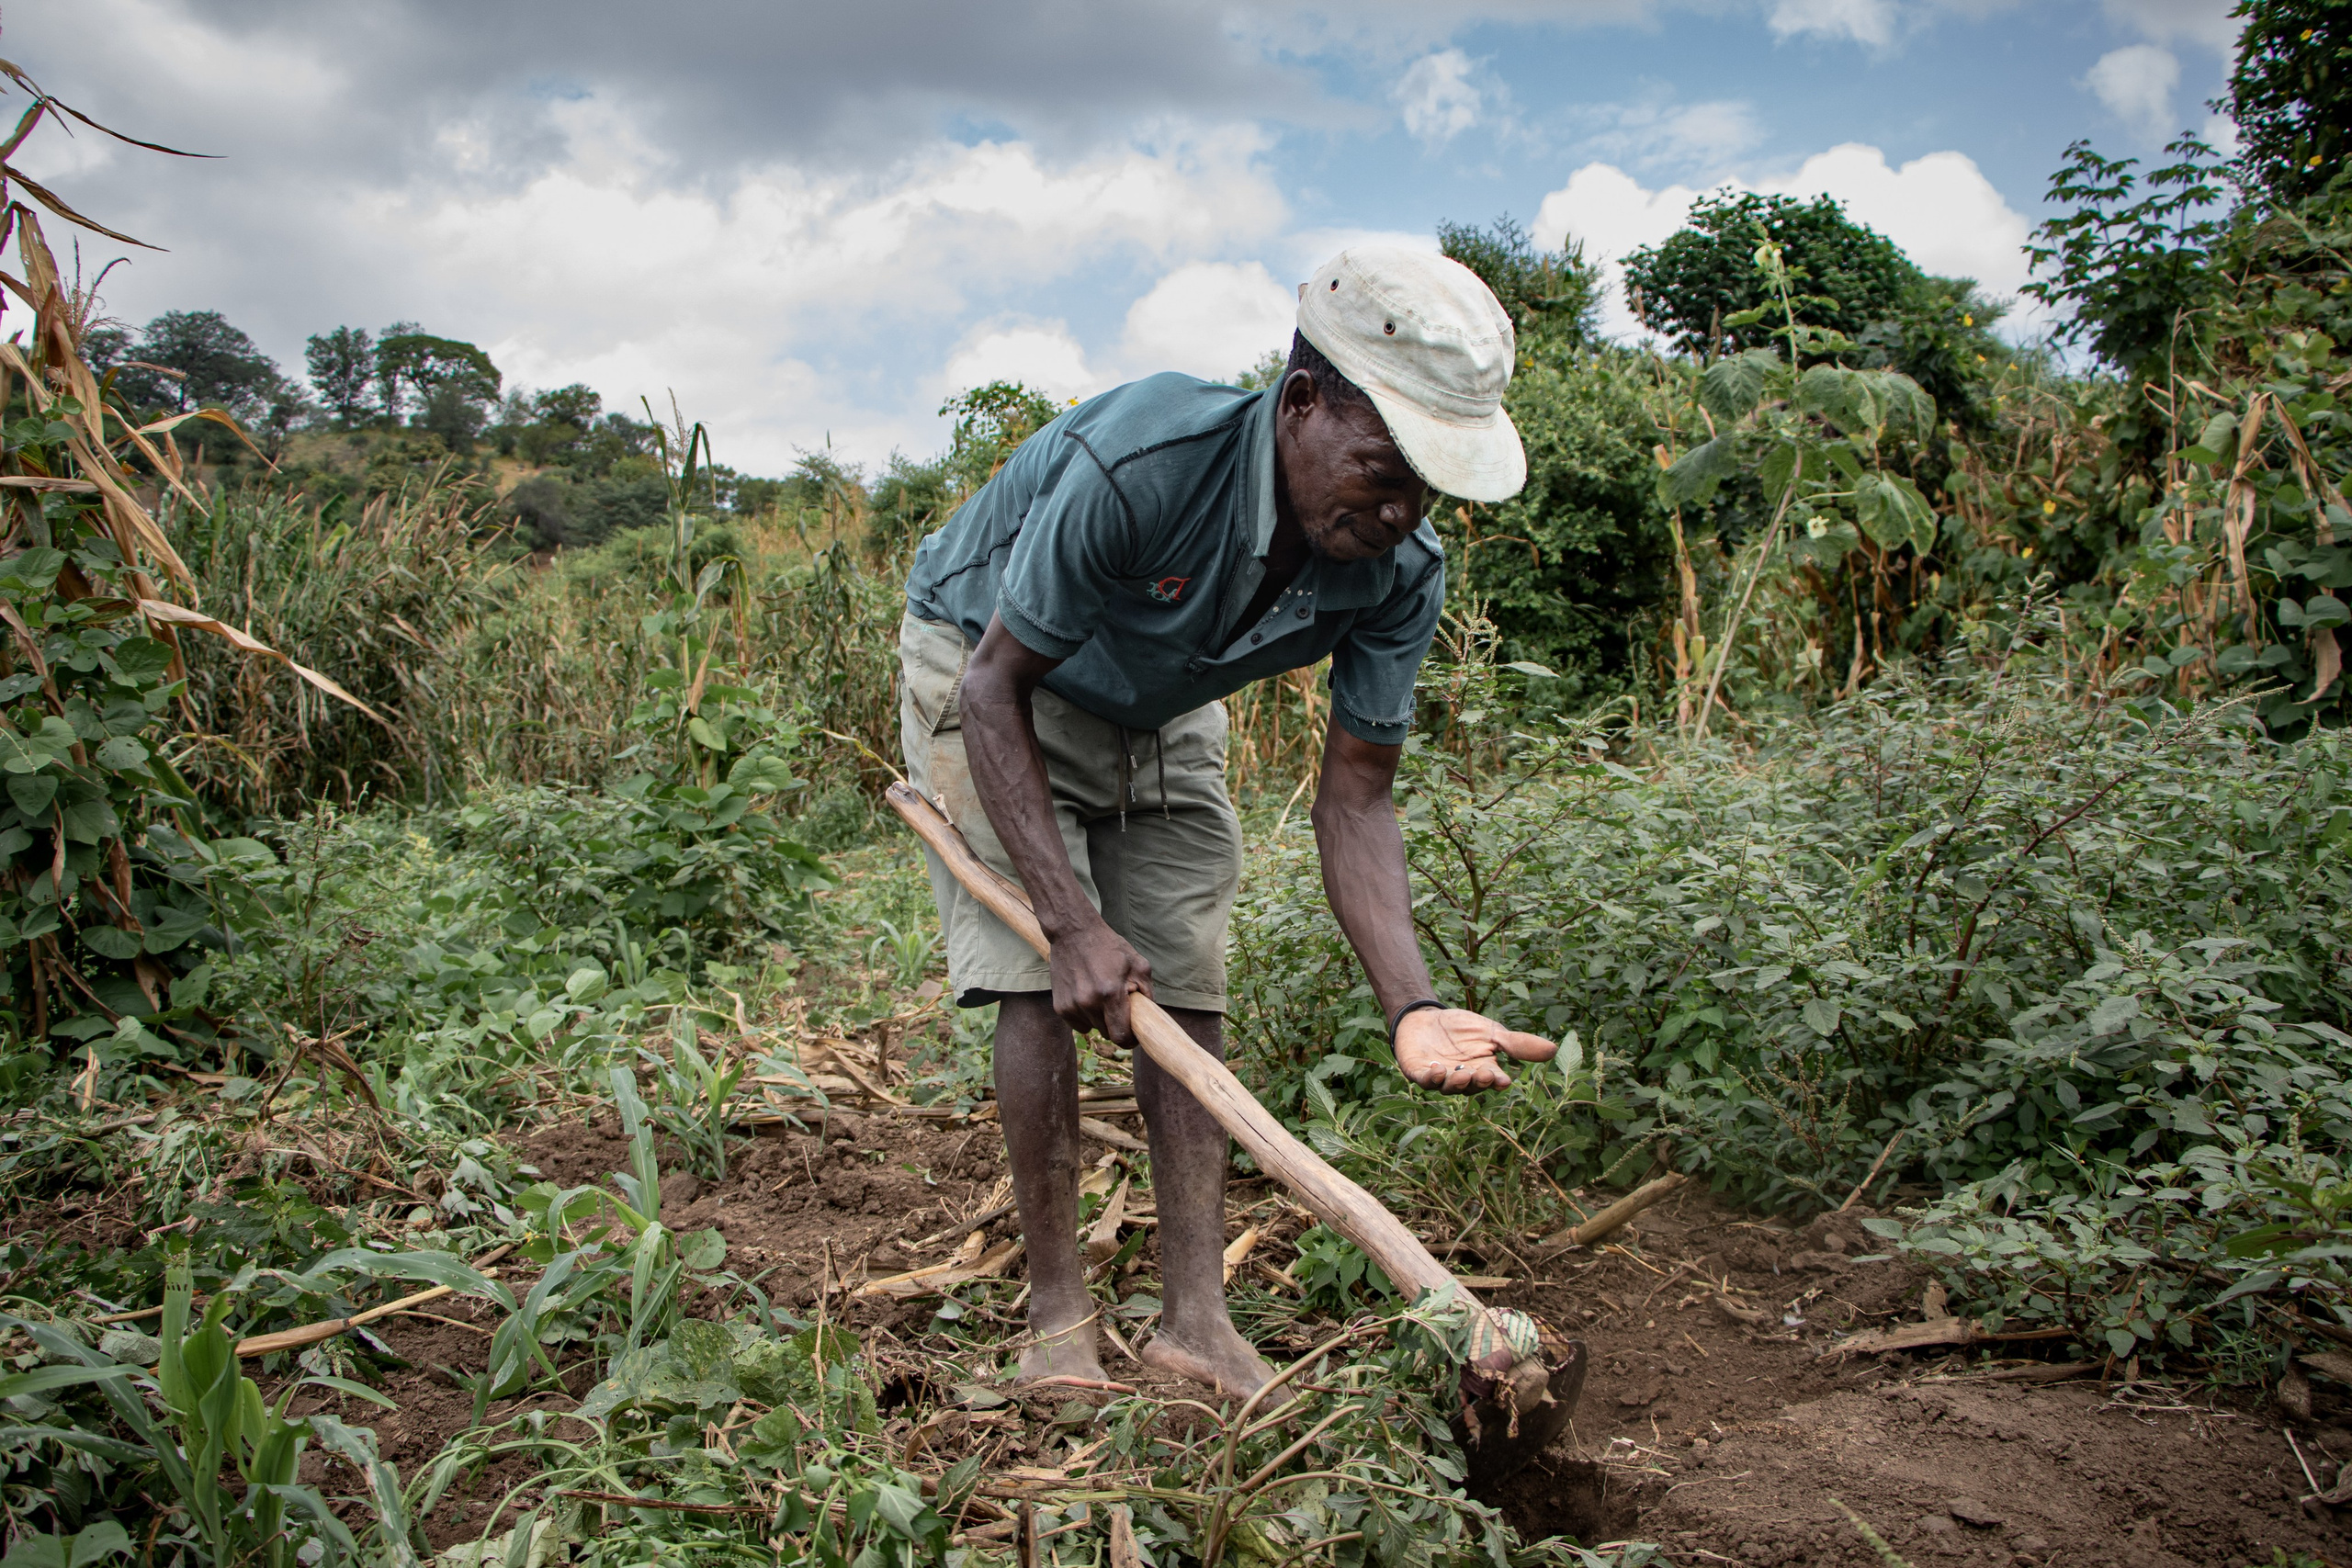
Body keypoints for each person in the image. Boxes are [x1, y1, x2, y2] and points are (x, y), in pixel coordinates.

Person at [898, 247, 1557, 1396]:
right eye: (1382, 470)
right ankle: (1058, 1318)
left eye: (1428, 487)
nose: (1400, 511)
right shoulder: (1142, 466)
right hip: (994, 664)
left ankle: (1195, 1323)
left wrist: (1412, 1002)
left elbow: (1357, 794)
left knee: (1184, 984)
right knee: (1041, 977)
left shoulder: (1401, 568)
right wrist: (1070, 922)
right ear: (1301, 402)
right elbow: (996, 687)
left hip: (1163, 696)